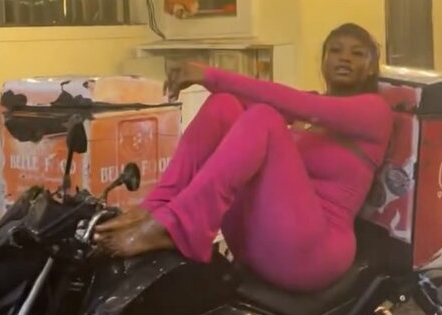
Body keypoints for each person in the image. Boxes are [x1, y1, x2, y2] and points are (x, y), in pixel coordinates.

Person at [94, 24, 393, 292]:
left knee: (264, 118)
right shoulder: (313, 103)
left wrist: (210, 75)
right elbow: (272, 101)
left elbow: (300, 104)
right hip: (262, 239)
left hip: (312, 253)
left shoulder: (374, 112)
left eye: (357, 54)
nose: (344, 58)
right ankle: (157, 207)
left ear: (371, 68)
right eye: (336, 50)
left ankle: (178, 226)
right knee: (224, 104)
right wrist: (215, 85)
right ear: (324, 60)